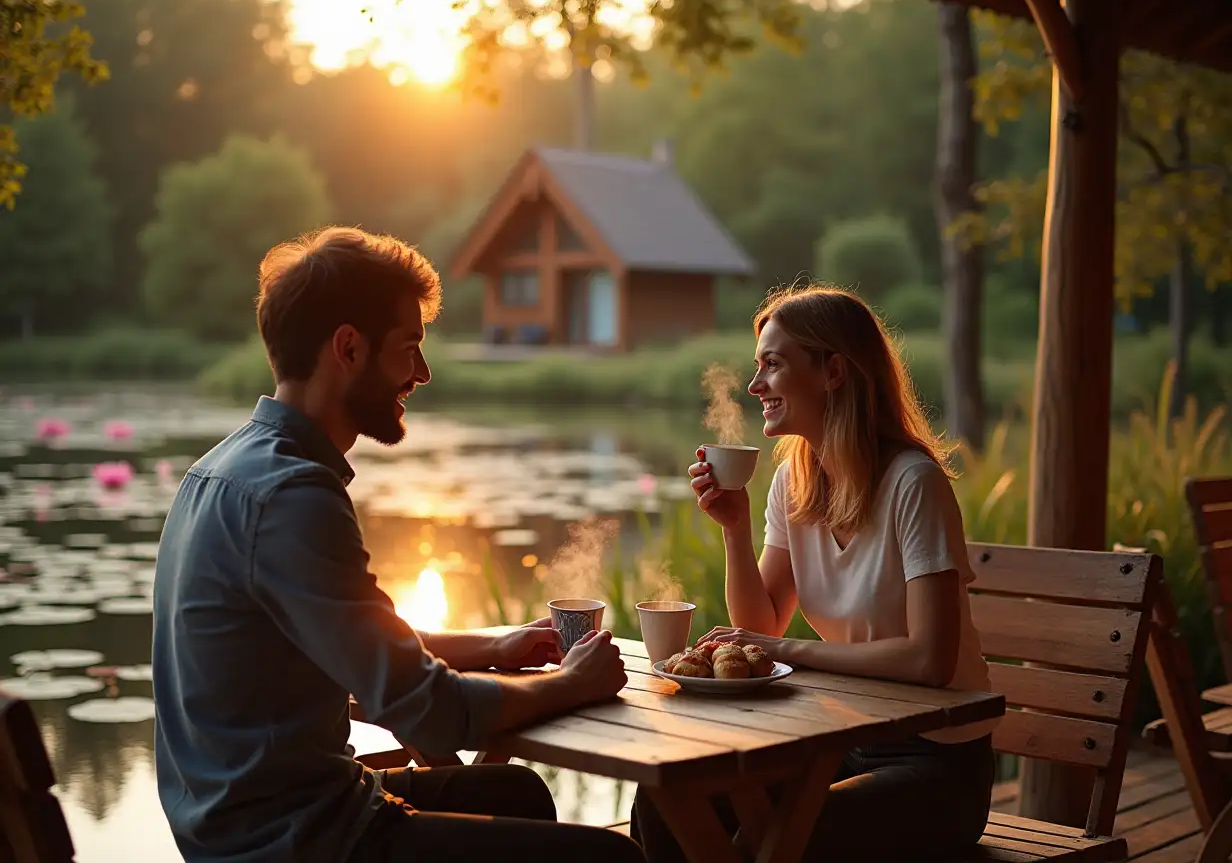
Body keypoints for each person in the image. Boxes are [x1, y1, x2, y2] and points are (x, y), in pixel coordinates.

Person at [152, 226, 644, 863]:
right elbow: (430, 713)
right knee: (615, 859)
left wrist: (496, 644)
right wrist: (572, 684)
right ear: (349, 349)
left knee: (514, 791)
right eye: (409, 347)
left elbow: (351, 644)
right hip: (300, 842)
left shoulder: (220, 471)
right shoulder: (292, 495)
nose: (422, 372)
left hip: (241, 824)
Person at [629, 284, 996, 862]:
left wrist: (789, 651)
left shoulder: (912, 483)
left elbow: (930, 660)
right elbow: (765, 620)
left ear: (833, 371)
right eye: (756, 368)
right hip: (844, 743)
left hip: (934, 761)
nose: (755, 388)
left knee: (772, 844)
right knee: (665, 802)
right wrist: (735, 529)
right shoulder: (792, 481)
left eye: (772, 365)